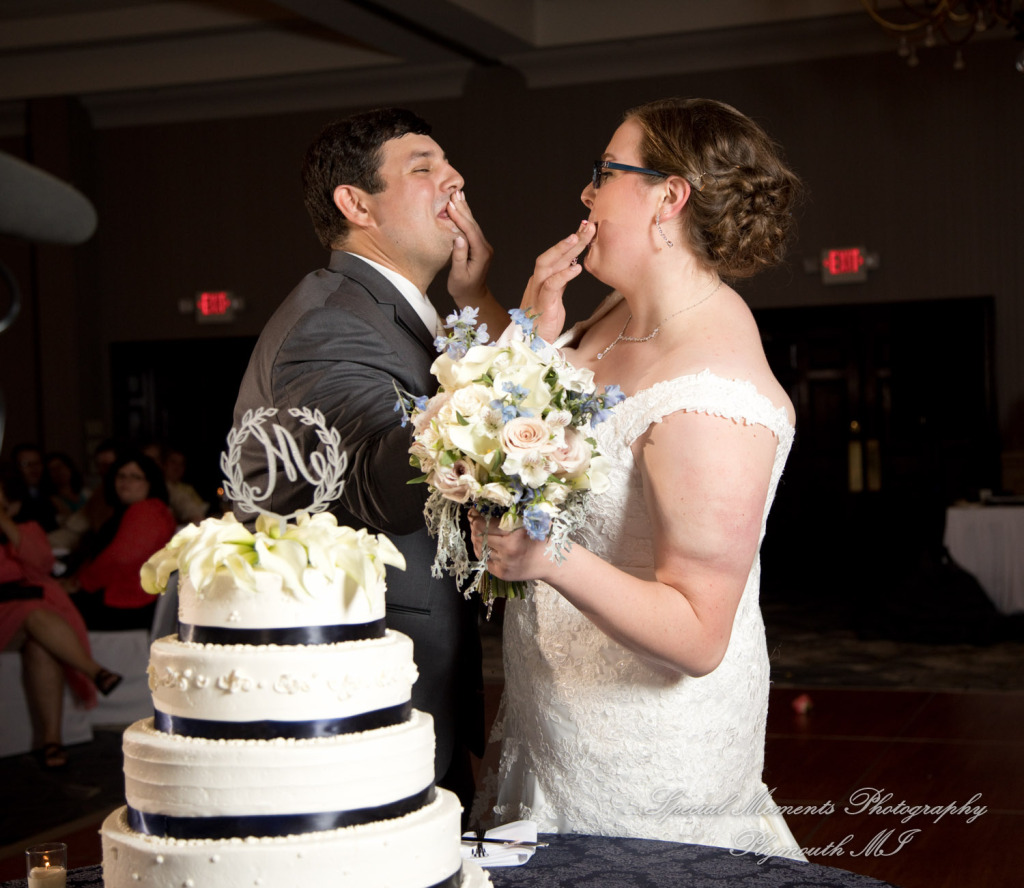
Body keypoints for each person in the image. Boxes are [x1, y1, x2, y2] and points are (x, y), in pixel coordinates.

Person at [470, 98, 805, 857]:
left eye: (605, 172)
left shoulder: (715, 392)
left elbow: (698, 634)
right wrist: (524, 330)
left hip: (645, 751)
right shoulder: (616, 313)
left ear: (668, 197)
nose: (586, 192)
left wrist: (546, 557)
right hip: (552, 717)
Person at [232, 107, 506, 816]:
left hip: (414, 669)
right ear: (356, 205)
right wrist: (499, 363)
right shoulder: (331, 321)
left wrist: (473, 311)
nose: (454, 180)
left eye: (450, 165)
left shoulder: (393, 317)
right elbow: (382, 485)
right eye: (423, 168)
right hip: (368, 687)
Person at [1, 479, 121, 769]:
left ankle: (51, 741)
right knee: (34, 613)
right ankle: (95, 671)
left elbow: (41, 564)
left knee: (40, 646)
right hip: (10, 613)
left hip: (29, 617)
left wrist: (3, 521)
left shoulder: (27, 530)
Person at [63, 451, 176, 631]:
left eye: (135, 477)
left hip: (126, 603)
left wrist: (80, 582)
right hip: (124, 599)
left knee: (43, 611)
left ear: (150, 482)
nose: (126, 482)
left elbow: (121, 559)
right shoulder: (135, 510)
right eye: (121, 476)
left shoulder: (146, 510)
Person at [5, 443, 59, 532]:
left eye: (37, 463)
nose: (34, 468)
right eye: (25, 464)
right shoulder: (9, 496)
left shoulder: (49, 492)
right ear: (15, 467)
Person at [45, 451, 90, 526]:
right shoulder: (52, 500)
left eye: (60, 466)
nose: (58, 472)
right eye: (52, 469)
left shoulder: (86, 492)